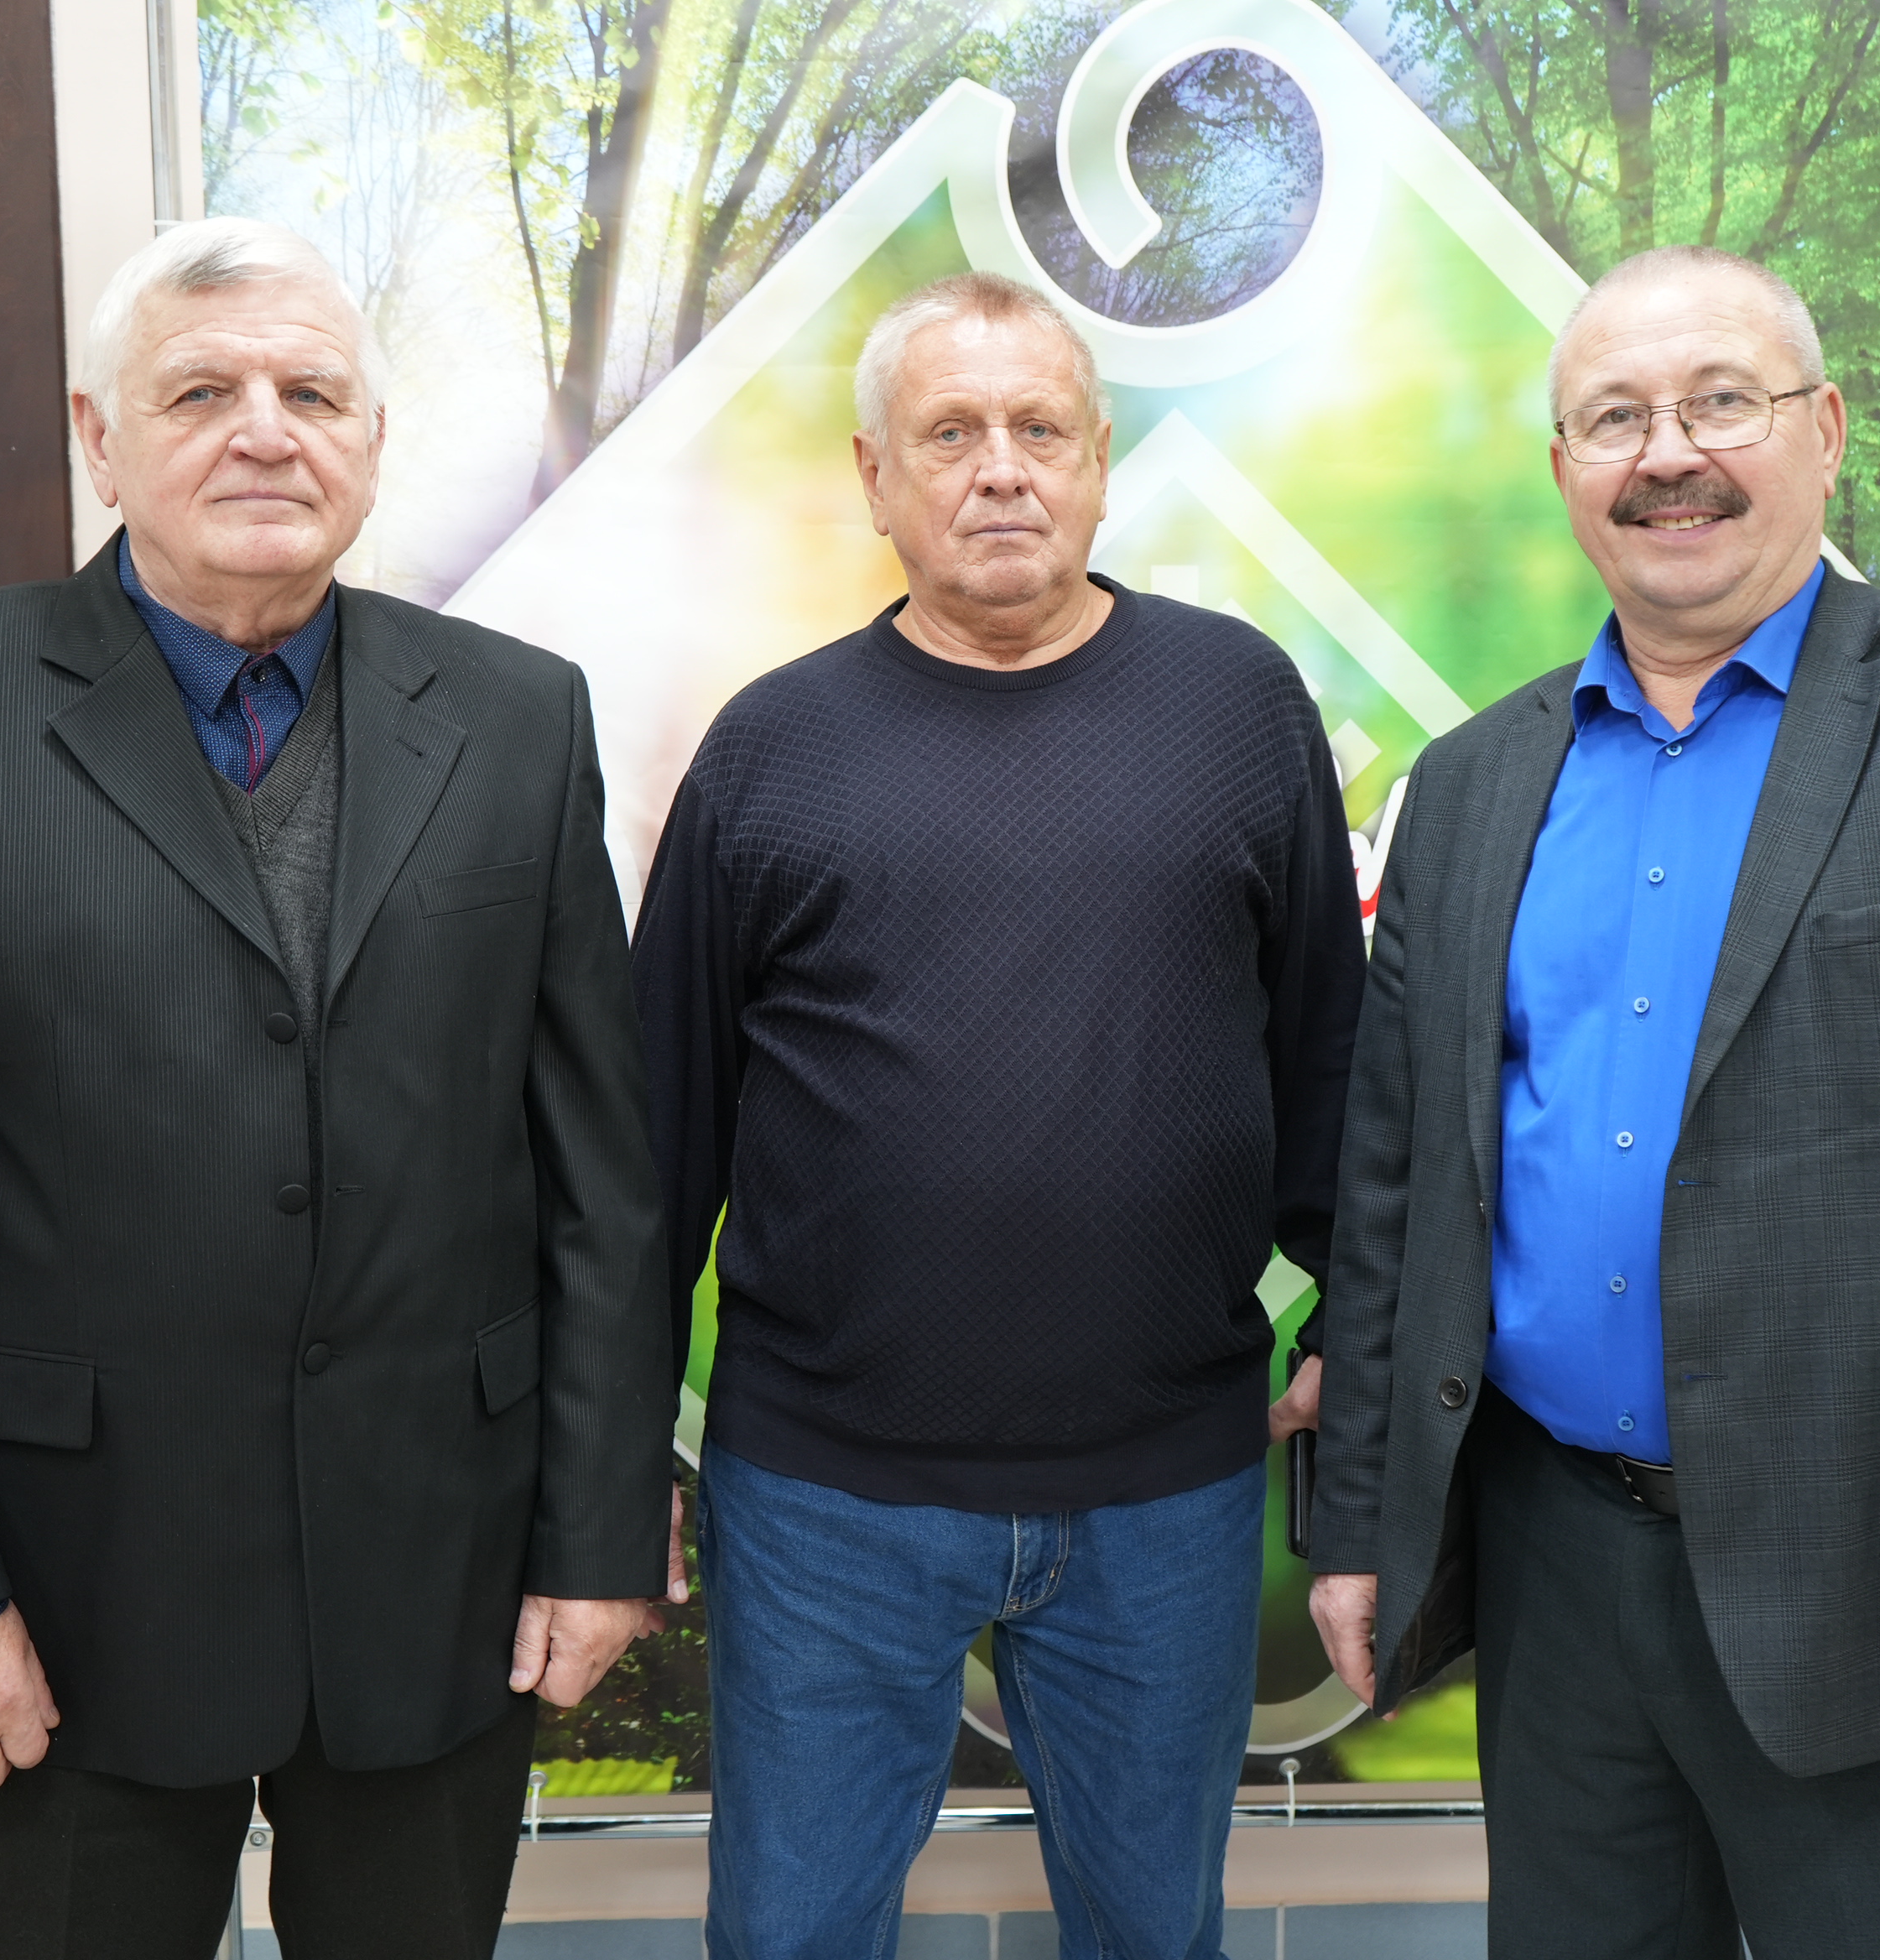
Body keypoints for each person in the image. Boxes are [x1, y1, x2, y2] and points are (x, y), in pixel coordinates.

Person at [0, 217, 681, 1960]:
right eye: (199, 392)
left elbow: (600, 1176)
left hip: (435, 1587)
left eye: (312, 392)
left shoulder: (520, 718)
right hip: (58, 1608)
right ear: (101, 439)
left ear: (372, 439)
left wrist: (599, 1533)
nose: (264, 432)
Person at [1306, 244, 1880, 1959]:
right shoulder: (1472, 784)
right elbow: (1397, 1190)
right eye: (1616, 418)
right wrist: (1364, 1518)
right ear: (1565, 471)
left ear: (1823, 429)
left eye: (1720, 401)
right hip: (1554, 1570)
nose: (1668, 453)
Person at [631, 270, 1363, 1960]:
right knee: (792, 1940)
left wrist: (1359, 1321)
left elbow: (1333, 1055)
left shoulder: (1239, 707)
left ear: (1100, 460)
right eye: (951, 432)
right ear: (876, 477)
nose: (1002, 470)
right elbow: (656, 1146)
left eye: (1040, 428)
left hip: (1168, 1491)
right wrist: (609, 1471)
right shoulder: (771, 748)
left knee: (1156, 1937)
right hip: (823, 1502)